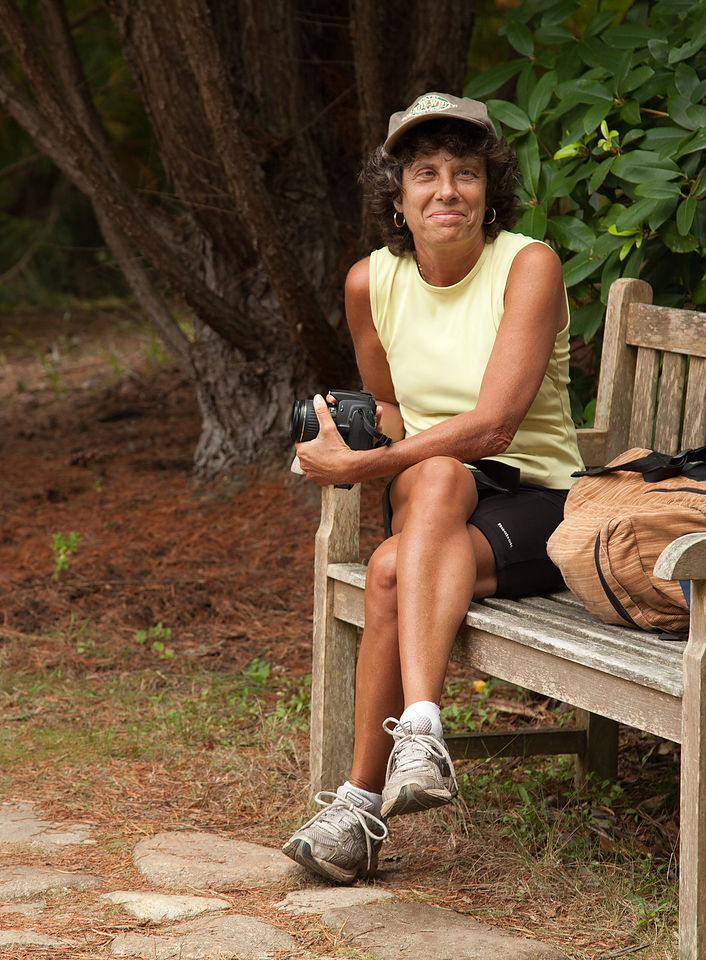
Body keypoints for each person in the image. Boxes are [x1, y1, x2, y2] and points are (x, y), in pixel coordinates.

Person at [282, 91, 584, 884]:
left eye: (466, 172)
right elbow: (391, 411)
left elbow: (491, 429)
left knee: (390, 564)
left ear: (490, 193)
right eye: (425, 173)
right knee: (437, 472)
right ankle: (418, 737)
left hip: (537, 500)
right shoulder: (369, 284)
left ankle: (359, 801)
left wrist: (358, 470)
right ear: (397, 198)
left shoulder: (529, 265)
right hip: (430, 489)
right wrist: (336, 438)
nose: (447, 189)